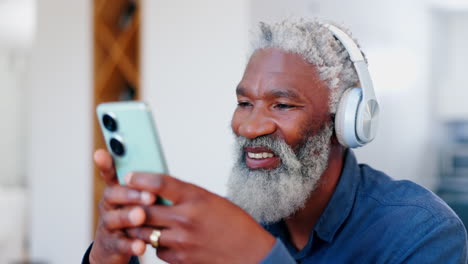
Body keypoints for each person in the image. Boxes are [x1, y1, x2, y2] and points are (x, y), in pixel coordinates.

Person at [83, 19, 468, 264]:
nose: (249, 127)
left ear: (347, 122)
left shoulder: (422, 231)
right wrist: (106, 256)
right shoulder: (238, 216)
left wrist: (258, 258)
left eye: (282, 105)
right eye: (244, 103)